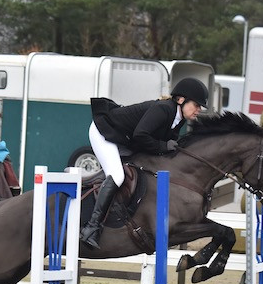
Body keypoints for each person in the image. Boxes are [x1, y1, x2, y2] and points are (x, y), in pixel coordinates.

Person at [79, 77, 209, 249]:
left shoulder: (178, 119)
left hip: (123, 138)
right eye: (197, 105)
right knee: (117, 175)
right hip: (104, 132)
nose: (198, 110)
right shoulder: (163, 109)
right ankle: (91, 227)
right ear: (181, 100)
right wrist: (164, 145)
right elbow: (141, 136)